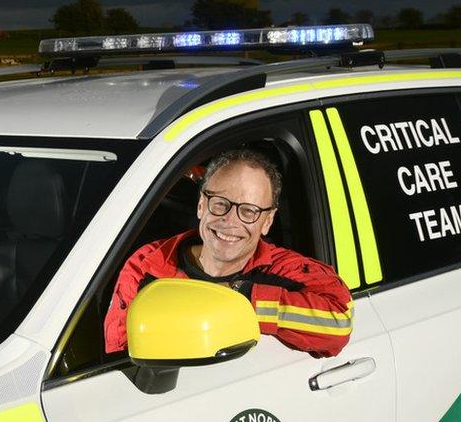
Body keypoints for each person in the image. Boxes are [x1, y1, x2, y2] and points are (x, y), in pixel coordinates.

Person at [104, 147, 352, 356]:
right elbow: (119, 357)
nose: (230, 221)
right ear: (202, 205)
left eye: (248, 211)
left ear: (267, 221)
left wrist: (244, 299)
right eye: (220, 204)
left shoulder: (286, 272)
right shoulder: (149, 264)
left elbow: (339, 321)